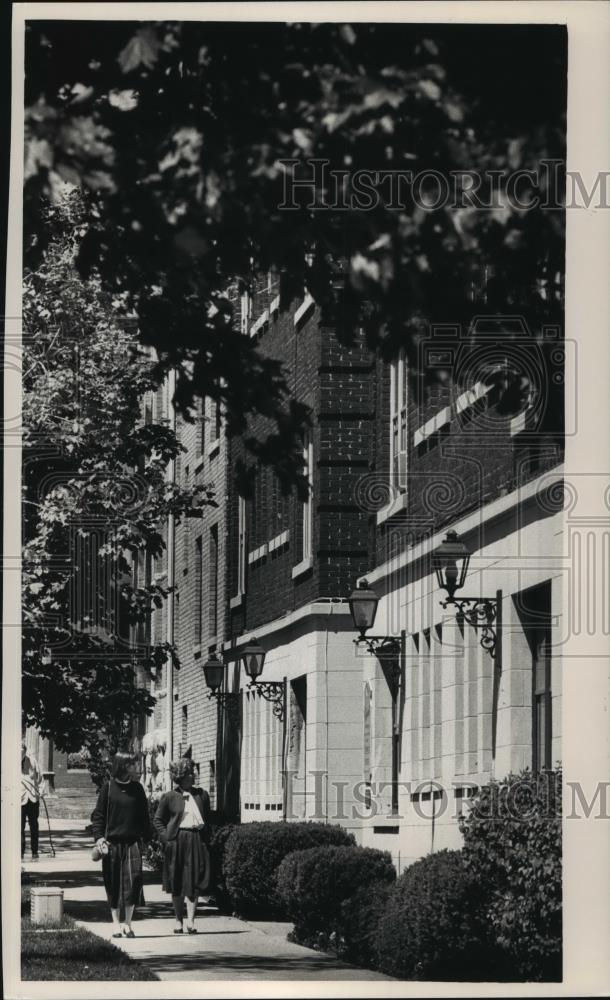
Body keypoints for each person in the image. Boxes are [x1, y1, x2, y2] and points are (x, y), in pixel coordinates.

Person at [91, 751, 152, 939]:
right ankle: (116, 924)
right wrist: (99, 838)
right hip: (112, 845)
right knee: (114, 884)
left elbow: (144, 818)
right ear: (124, 766)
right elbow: (98, 816)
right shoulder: (108, 788)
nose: (136, 767)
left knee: (133, 884)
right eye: (133, 764)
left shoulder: (138, 789)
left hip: (132, 843)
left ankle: (128, 924)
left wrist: (147, 841)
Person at [154, 756, 211, 934]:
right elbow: (158, 820)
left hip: (196, 839)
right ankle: (178, 921)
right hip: (177, 841)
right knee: (177, 880)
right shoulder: (169, 797)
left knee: (194, 881)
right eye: (190, 773)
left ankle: (191, 922)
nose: (193, 775)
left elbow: (208, 817)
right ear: (181, 776)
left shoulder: (201, 795)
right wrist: (166, 837)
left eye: (193, 772)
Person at [21, 739, 44, 861]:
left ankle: (35, 852)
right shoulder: (11, 763)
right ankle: (20, 853)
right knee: (19, 827)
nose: (21, 754)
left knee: (34, 826)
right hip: (19, 800)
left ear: (25, 751)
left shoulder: (32, 761)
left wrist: (40, 791)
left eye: (22, 751)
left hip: (33, 798)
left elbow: (40, 778)